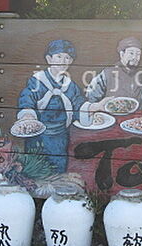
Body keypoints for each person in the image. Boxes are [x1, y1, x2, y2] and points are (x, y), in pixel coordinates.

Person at [16, 39, 95, 173]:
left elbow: (78, 104)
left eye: (67, 58)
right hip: (38, 134)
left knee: (58, 167)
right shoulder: (38, 81)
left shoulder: (71, 86)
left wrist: (93, 107)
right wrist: (28, 114)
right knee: (34, 167)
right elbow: (27, 97)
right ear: (49, 59)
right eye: (59, 56)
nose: (63, 61)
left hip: (60, 135)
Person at [85, 36, 142, 110]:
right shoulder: (107, 74)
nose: (135, 57)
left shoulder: (140, 77)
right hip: (109, 116)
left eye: (138, 54)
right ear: (122, 54)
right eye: (131, 53)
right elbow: (90, 97)